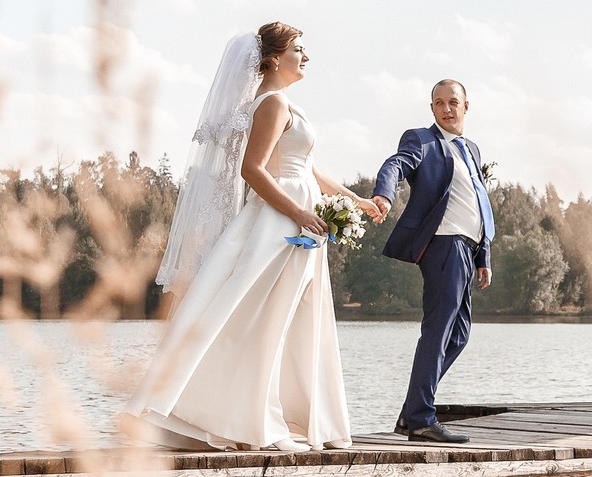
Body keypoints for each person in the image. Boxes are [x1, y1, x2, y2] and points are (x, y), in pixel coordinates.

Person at [120, 23, 388, 451]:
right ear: (274, 57)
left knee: (285, 321)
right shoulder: (273, 104)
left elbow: (311, 169)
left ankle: (285, 419)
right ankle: (237, 419)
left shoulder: (285, 105)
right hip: (278, 223)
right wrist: (298, 211)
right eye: (299, 49)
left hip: (300, 220)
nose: (306, 56)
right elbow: (253, 170)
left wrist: (355, 200)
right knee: (257, 321)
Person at [372, 79, 495, 443]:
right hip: (442, 246)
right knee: (438, 332)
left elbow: (478, 202)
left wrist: (483, 254)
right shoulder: (421, 140)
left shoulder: (470, 148)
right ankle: (422, 417)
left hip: (467, 250)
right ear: (432, 109)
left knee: (459, 335)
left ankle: (412, 412)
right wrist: (384, 193)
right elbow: (395, 164)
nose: (446, 109)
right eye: (439, 103)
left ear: (466, 106)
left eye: (453, 102)